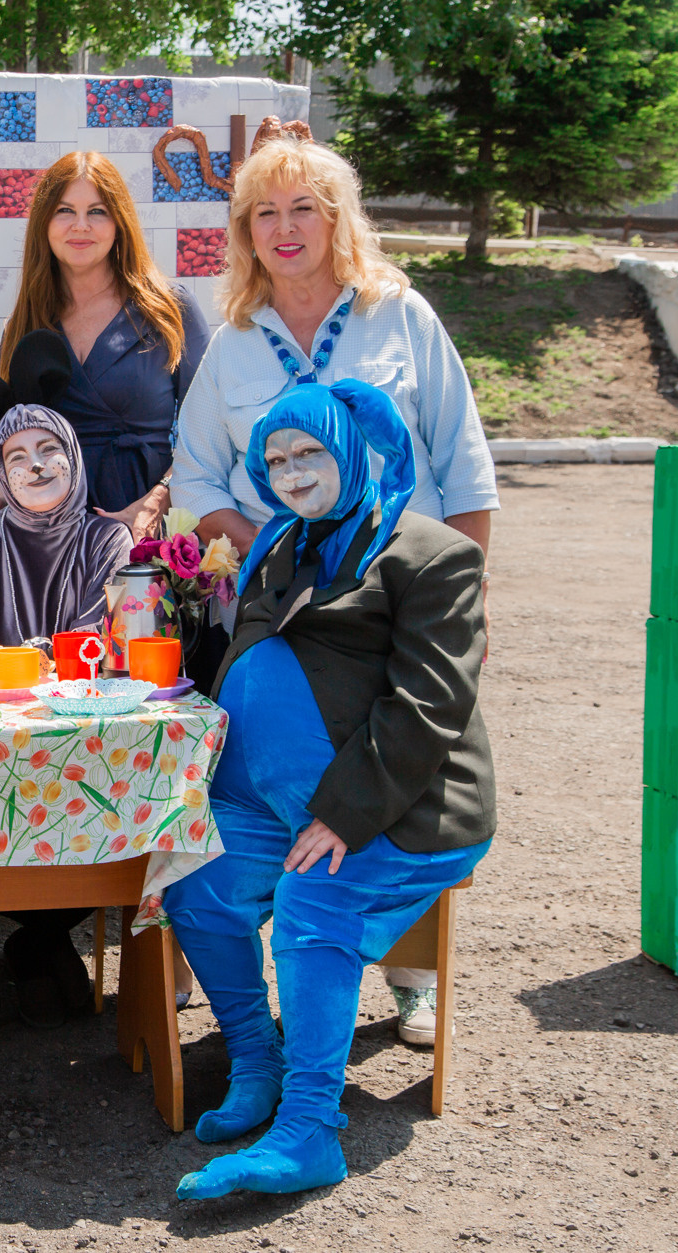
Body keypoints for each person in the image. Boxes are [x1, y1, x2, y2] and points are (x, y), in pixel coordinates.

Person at [169, 132, 500, 1044]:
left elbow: (463, 466)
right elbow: (196, 474)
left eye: (303, 209)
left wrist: (468, 599)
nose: (285, 228)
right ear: (246, 231)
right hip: (289, 625)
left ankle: (410, 977)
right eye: (265, 213)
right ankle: (274, 990)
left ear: (337, 218)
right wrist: (279, 551)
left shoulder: (402, 316)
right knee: (284, 787)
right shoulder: (234, 342)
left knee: (403, 773)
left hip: (402, 605)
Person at [164, 379, 493, 1199]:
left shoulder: (431, 553)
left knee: (316, 899)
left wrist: (344, 814)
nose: (292, 470)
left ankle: (309, 1129)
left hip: (393, 805)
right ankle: (257, 1061)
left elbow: (428, 705)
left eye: (309, 451)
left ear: (349, 448)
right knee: (194, 878)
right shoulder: (279, 543)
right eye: (275, 459)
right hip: (270, 805)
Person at [0, 338, 134, 1027]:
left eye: (49, 449)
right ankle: (42, 941)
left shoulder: (107, 541)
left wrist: (47, 657)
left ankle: (37, 941)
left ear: (74, 455)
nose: (36, 465)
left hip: (81, 734)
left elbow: (101, 634)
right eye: (16, 456)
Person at [0, 151, 212, 545]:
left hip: (143, 535)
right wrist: (9, 503)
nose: (80, 226)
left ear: (119, 222)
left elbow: (209, 436)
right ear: (44, 223)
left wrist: (154, 504)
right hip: (50, 541)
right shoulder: (25, 322)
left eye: (97, 211)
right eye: (64, 211)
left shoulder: (170, 310)